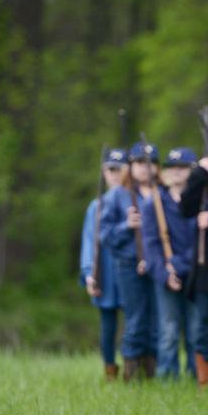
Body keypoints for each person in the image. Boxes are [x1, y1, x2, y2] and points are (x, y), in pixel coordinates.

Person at [101, 140, 160, 380]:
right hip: (128, 265)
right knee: (135, 318)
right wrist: (127, 225)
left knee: (155, 319)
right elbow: (104, 235)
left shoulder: (160, 194)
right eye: (138, 163)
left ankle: (153, 371)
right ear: (131, 167)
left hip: (155, 266)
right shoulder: (118, 195)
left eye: (150, 163)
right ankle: (131, 373)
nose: (144, 168)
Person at [142, 147, 200, 379]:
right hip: (166, 276)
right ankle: (167, 377)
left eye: (182, 167)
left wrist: (180, 264)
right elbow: (150, 245)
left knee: (196, 330)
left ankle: (197, 377)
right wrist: (165, 273)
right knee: (168, 331)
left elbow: (201, 243)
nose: (176, 171)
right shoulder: (153, 204)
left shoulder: (200, 201)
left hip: (194, 274)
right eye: (172, 167)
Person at [80, 148, 128, 380]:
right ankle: (110, 368)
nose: (116, 174)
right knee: (108, 327)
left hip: (128, 272)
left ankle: (132, 367)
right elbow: (90, 240)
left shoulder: (132, 201)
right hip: (105, 273)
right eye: (111, 169)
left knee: (133, 325)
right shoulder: (95, 206)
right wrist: (89, 272)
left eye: (120, 169)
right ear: (104, 172)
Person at [179, 153, 208, 386]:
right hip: (206, 266)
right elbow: (185, 207)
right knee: (206, 326)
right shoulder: (204, 175)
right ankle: (206, 383)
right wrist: (199, 174)